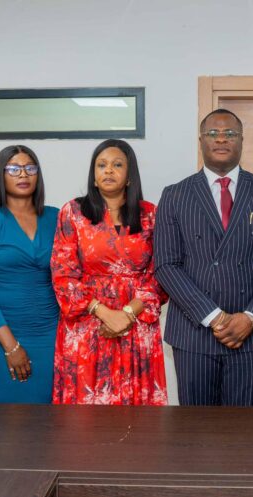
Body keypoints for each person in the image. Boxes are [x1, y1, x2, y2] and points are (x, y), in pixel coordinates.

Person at [154, 109, 253, 406]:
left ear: (241, 141)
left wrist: (251, 317)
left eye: (229, 133)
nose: (221, 139)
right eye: (213, 133)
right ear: (201, 141)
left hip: (249, 335)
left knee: (244, 434)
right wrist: (214, 317)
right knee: (197, 430)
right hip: (193, 334)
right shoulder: (175, 195)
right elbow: (166, 265)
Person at [51, 139, 167, 405]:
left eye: (117, 165)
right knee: (86, 419)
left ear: (129, 176)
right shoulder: (73, 212)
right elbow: (63, 273)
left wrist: (127, 314)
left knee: (136, 420)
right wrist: (104, 313)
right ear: (93, 175)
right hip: (86, 325)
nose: (108, 171)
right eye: (101, 165)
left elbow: (159, 274)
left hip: (137, 325)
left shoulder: (150, 214)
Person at [0, 146, 59, 403]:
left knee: (49, 429)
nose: (23, 174)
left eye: (30, 168)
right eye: (14, 169)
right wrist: (11, 346)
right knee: (6, 432)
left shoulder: (57, 217)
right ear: (1, 175)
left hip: (51, 338)